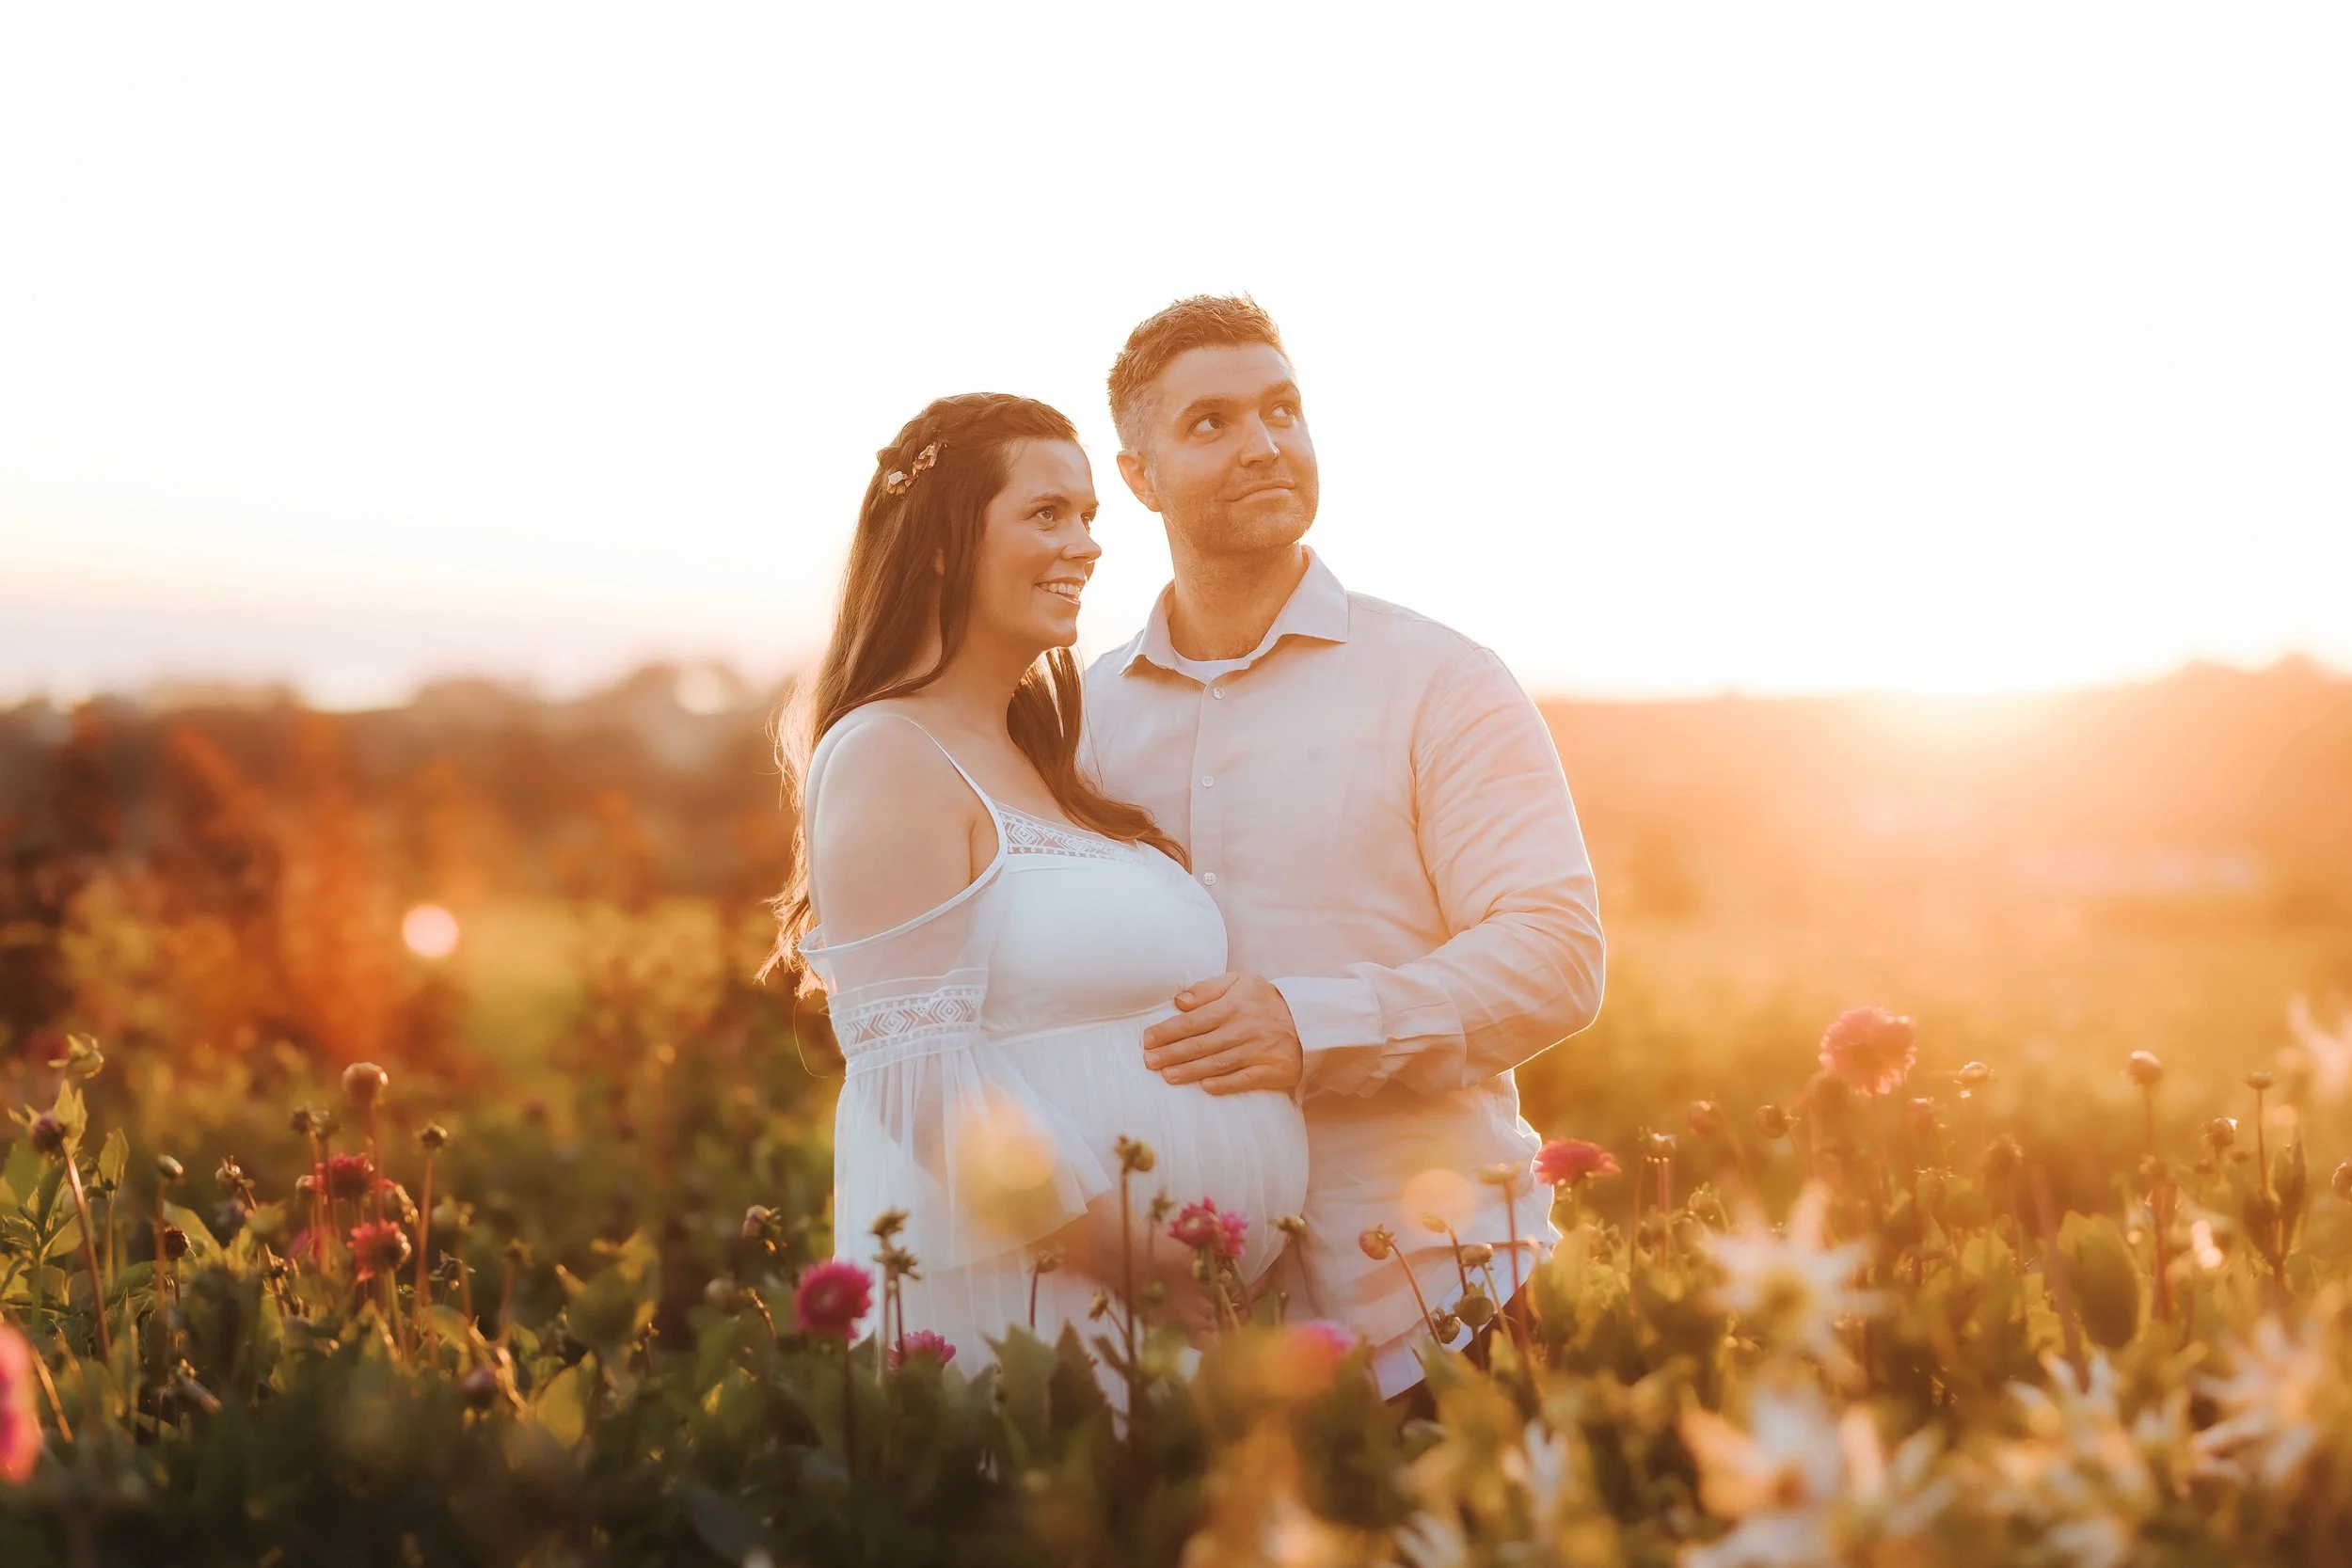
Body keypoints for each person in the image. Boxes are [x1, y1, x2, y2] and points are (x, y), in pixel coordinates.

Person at [1083, 297, 1606, 1406]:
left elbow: (1556, 954)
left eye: (1282, 408)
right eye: (1212, 421)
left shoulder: (1441, 680)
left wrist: (1306, 1023)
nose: (1265, 442)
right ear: (1139, 476)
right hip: (1192, 1337)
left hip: (1441, 1303)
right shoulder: (1080, 724)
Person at [767, 392, 1308, 1376]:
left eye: (1091, 516)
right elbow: (920, 1077)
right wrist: (1139, 1260)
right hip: (1035, 1301)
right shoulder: (891, 751)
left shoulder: (1044, 752)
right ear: (939, 544)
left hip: (1169, 1309)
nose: (1088, 545)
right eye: (1047, 513)